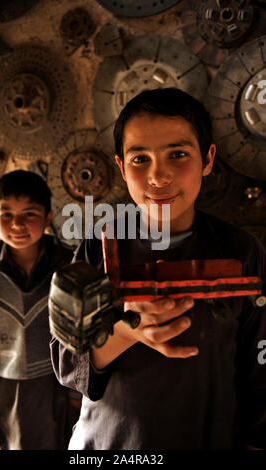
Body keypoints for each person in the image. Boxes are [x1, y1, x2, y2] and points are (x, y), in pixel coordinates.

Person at [50, 88, 266, 450]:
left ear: (208, 159)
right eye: (140, 159)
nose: (158, 175)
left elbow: (259, 370)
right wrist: (128, 331)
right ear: (120, 166)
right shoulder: (99, 246)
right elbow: (65, 360)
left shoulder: (242, 253)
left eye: (177, 154)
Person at [0, 170, 81, 450]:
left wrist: (79, 389)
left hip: (57, 383)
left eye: (29, 214)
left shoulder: (68, 266)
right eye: (6, 214)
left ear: (48, 218)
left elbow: (80, 333)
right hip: (4, 387)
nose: (17, 224)